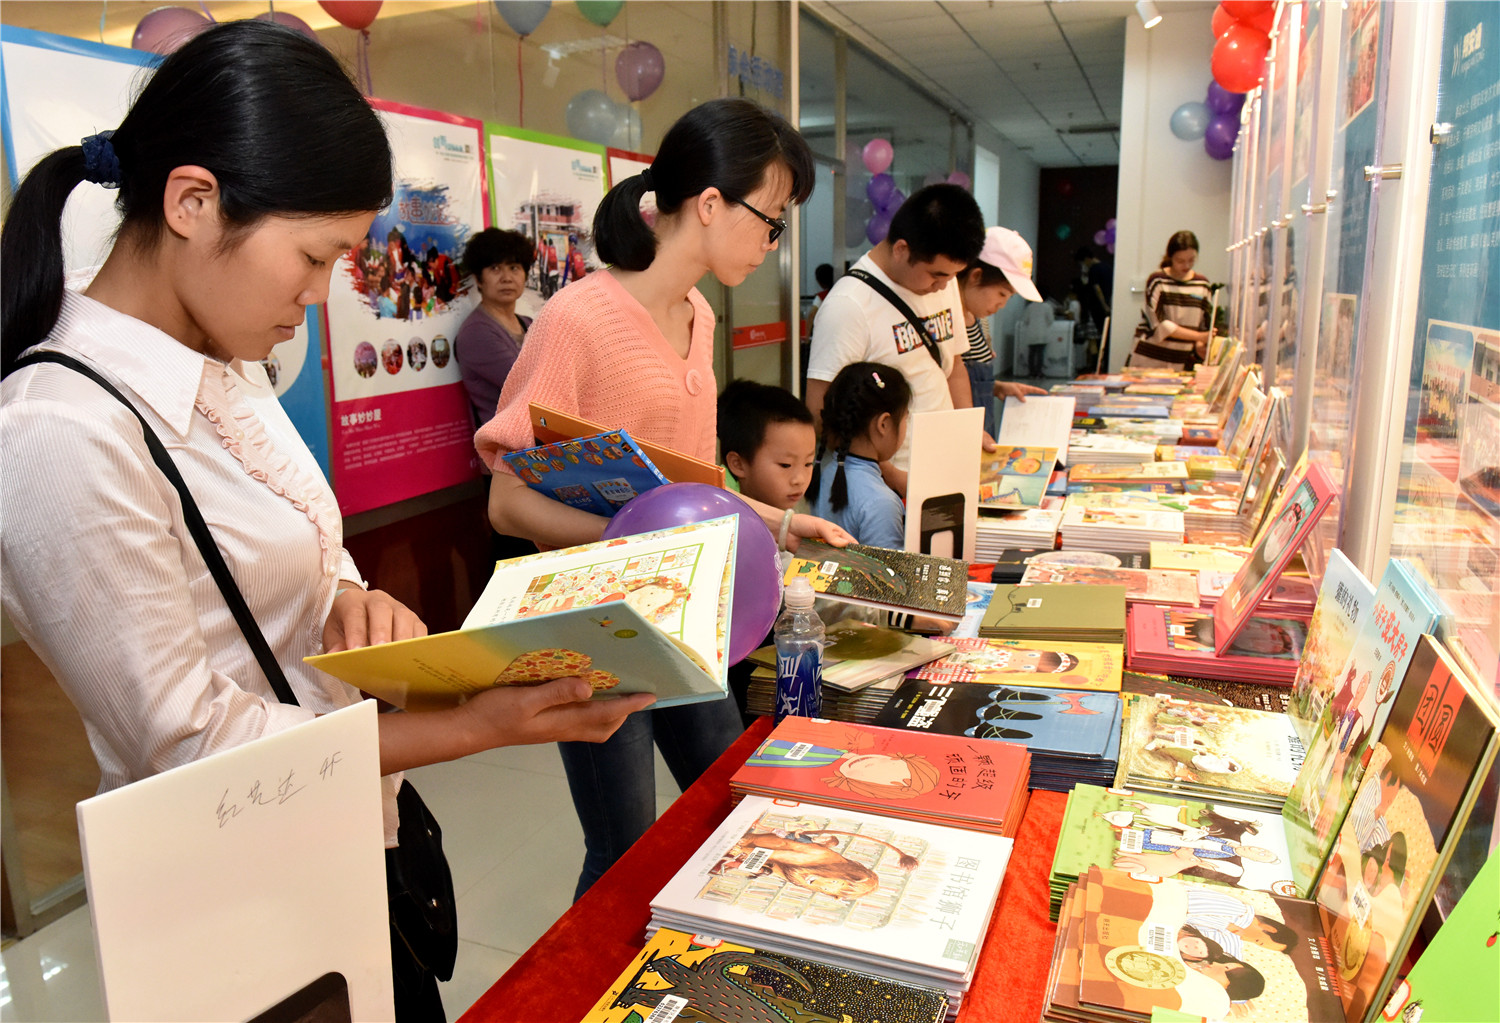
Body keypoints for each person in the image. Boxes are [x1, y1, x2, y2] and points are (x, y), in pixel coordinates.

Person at [0, 22, 654, 1020]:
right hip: (231, 895)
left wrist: (349, 596)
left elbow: (302, 543)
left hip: (339, 833)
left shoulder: (225, 362)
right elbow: (188, 744)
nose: (315, 296)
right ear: (191, 202)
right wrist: (472, 723)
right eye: (313, 257)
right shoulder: (61, 429)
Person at [474, 98, 854, 900]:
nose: (773, 244)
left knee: (728, 804)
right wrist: (634, 542)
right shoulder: (579, 318)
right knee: (623, 848)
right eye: (771, 221)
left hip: (682, 611)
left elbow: (691, 488)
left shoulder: (698, 314)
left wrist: (785, 522)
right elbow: (507, 503)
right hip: (594, 626)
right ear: (711, 204)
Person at [806, 184, 1042, 497]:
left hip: (942, 468)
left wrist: (968, 432)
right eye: (936, 275)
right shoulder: (848, 306)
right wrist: (890, 474)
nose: (943, 286)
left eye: (952, 275)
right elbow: (821, 412)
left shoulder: (945, 282)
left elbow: (953, 367)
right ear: (902, 249)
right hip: (884, 486)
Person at [808, 362, 912, 550]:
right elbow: (887, 568)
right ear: (884, 424)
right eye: (906, 418)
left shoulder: (822, 474)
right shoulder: (881, 503)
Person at [958, 227, 1044, 436]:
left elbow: (969, 380)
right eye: (1001, 294)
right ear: (976, 276)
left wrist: (996, 387)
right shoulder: (948, 321)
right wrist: (969, 430)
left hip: (980, 430)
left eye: (1009, 297)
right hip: (962, 433)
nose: (1002, 305)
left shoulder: (978, 319)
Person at [453, 227, 535, 428]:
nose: (506, 278)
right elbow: (530, 384)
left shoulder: (529, 324)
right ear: (478, 280)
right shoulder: (476, 333)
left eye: (514, 268)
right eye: (495, 269)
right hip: (508, 445)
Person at [716, 379, 817, 509]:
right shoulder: (721, 511)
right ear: (738, 464)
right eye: (785, 465)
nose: (800, 480)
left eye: (808, 463)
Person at [1127, 230, 1215, 369]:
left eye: (1191, 260)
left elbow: (1204, 325)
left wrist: (1200, 344)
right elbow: (1160, 326)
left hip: (1179, 360)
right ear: (1170, 257)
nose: (1186, 266)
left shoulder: (1202, 285)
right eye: (1180, 261)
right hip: (1149, 358)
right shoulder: (1157, 281)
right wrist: (1199, 336)